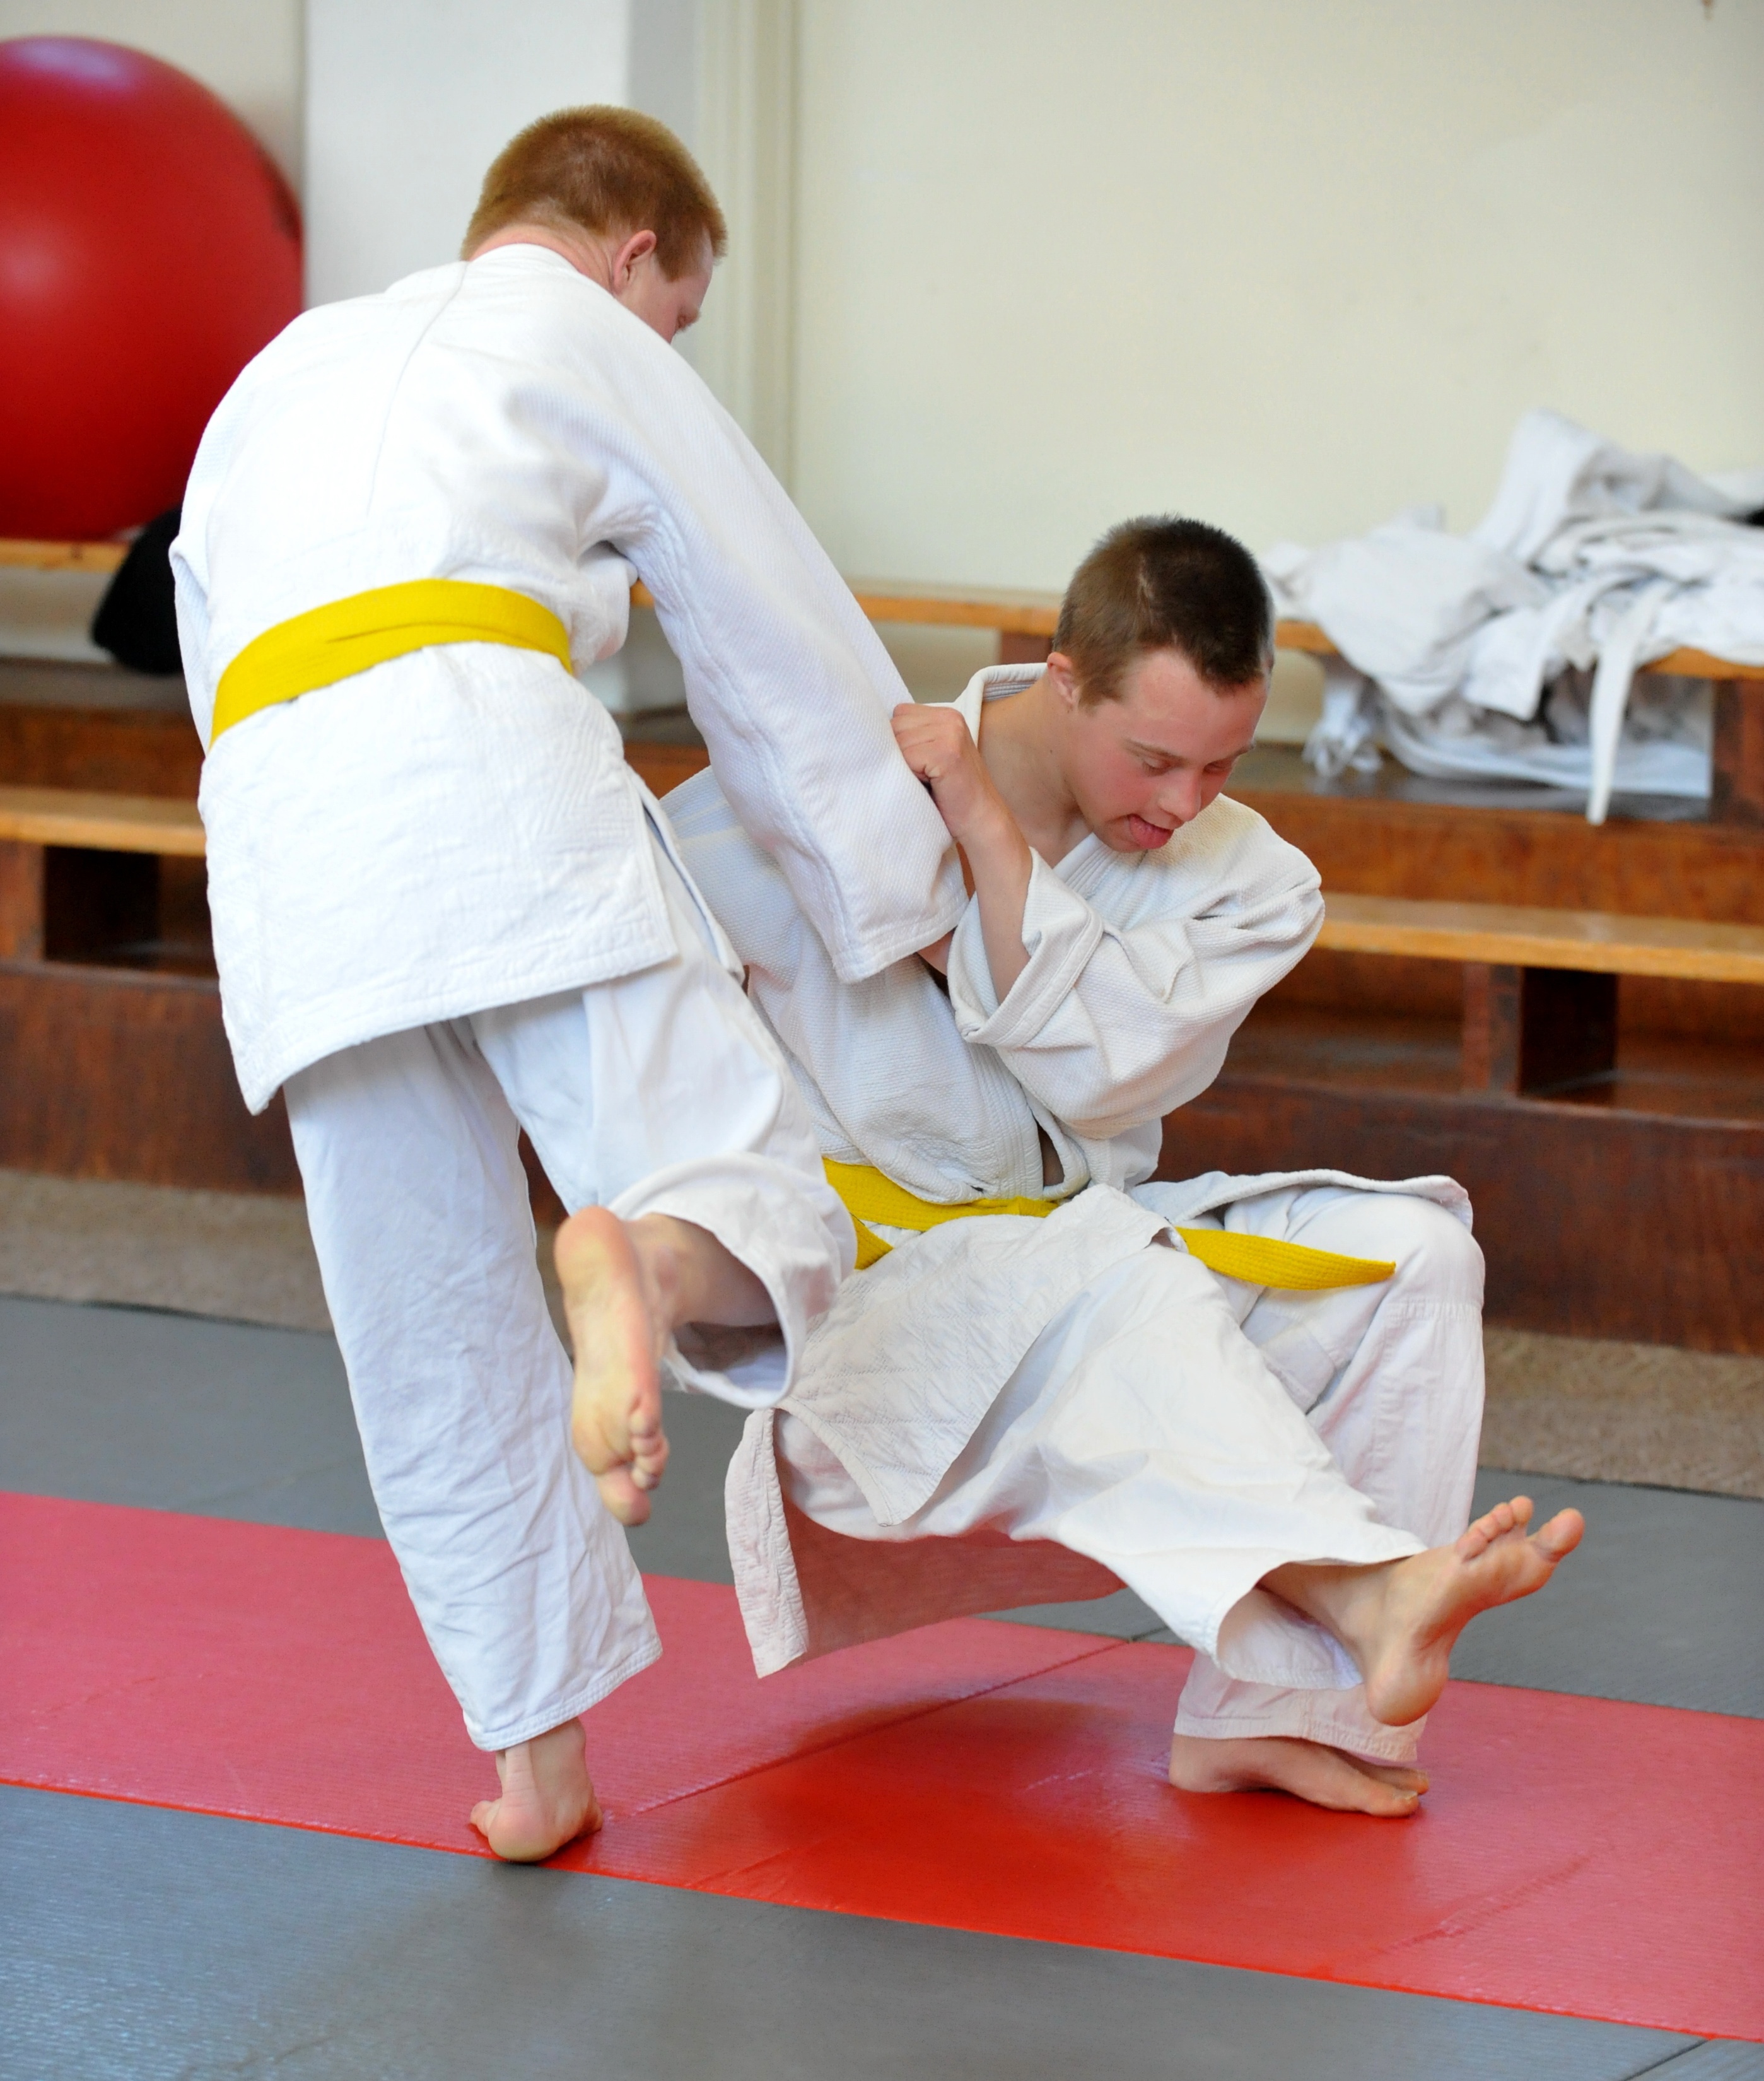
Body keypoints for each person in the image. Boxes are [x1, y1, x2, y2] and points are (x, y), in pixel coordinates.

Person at [172, 107, 963, 1861]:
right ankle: (646, 1264)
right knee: (738, 1177)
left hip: (291, 850)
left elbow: (214, 636)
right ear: (633, 254)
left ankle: (534, 1764)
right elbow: (758, 609)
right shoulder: (578, 330)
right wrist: (901, 889)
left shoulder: (276, 374)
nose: (667, 340)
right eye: (677, 314)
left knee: (424, 1322)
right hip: (491, 779)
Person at [669, 516, 1582, 1820]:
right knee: (1118, 1270)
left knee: (1414, 1259)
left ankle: (1275, 1718)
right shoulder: (817, 806)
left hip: (1082, 1273)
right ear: (1063, 679)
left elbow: (1100, 1071)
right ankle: (1367, 1589)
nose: (1183, 803)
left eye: (1222, 764)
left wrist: (985, 836)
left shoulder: (1255, 882)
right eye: (1153, 759)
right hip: (878, 1332)